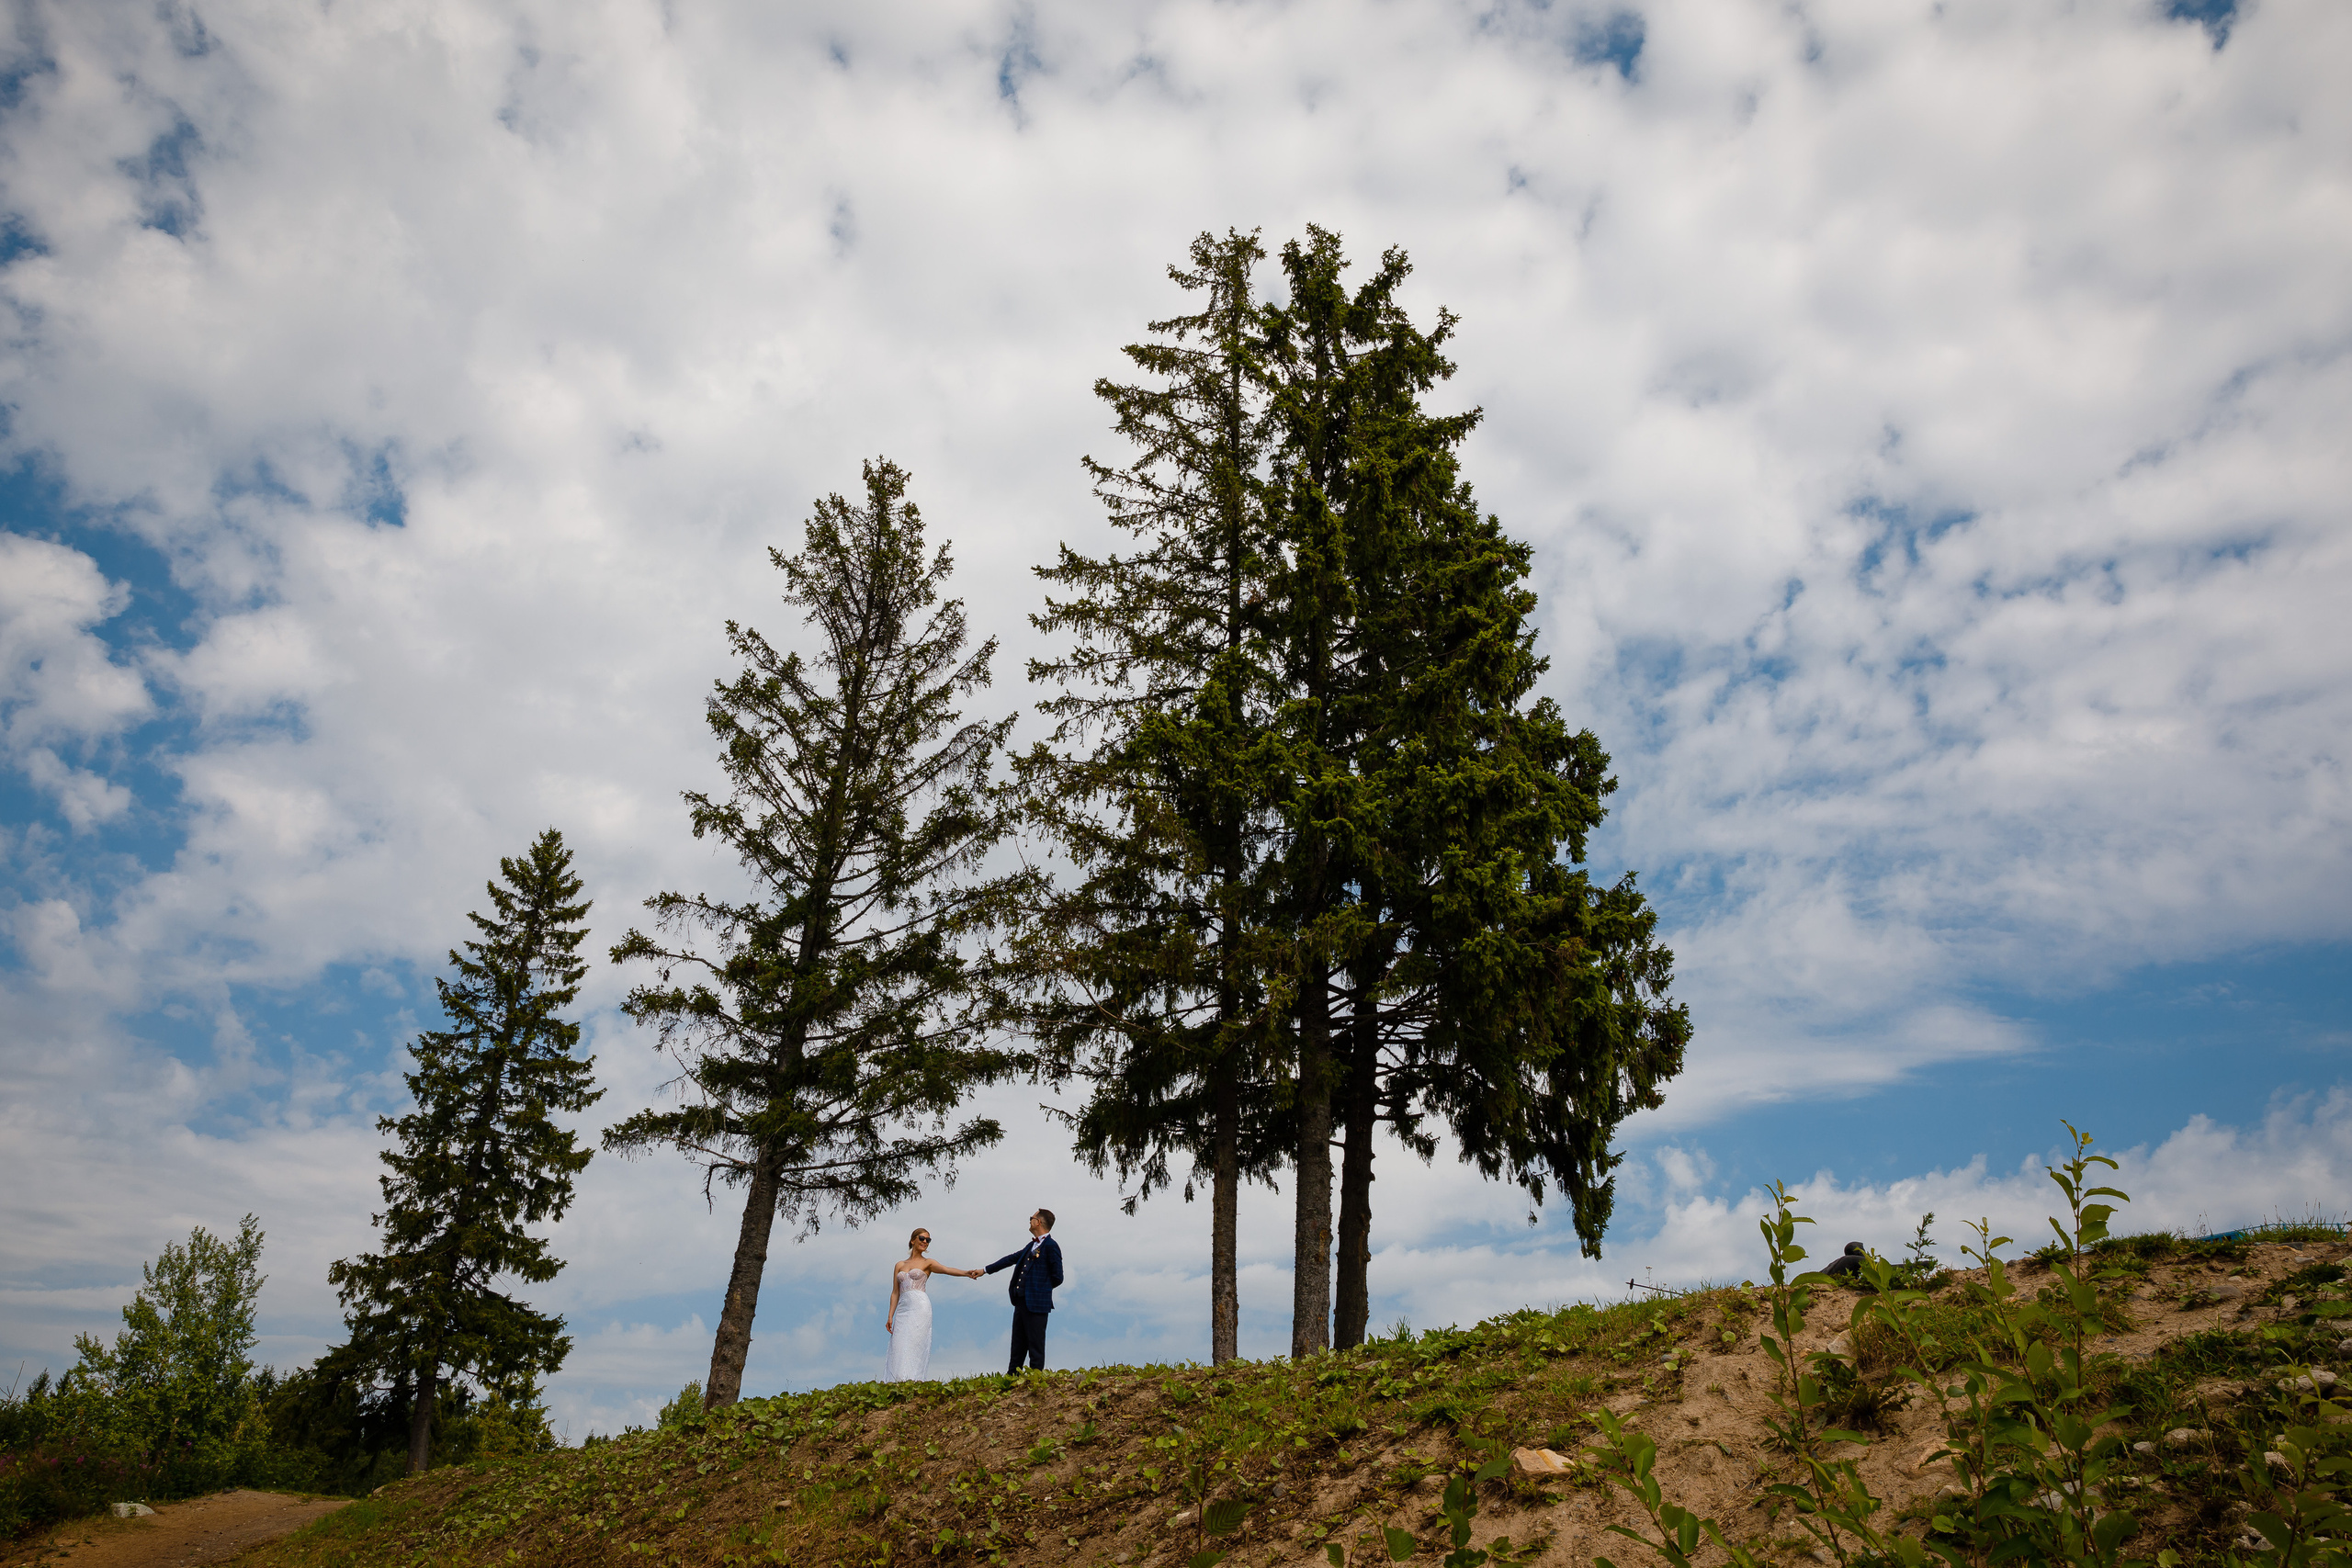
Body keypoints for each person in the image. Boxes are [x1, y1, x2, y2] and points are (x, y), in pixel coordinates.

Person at [885, 1226, 982, 1382]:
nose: (925, 1242)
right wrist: (890, 1315)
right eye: (922, 1239)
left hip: (920, 1306)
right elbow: (895, 1292)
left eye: (928, 1240)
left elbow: (946, 1269)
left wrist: (966, 1273)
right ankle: (896, 1381)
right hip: (903, 1309)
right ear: (913, 1240)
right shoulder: (899, 1265)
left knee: (915, 1343)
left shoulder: (928, 1263)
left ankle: (913, 1380)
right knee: (899, 1343)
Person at [983, 1208, 1064, 1373]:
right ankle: (1012, 1378)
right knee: (1017, 1345)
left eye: (1031, 1218)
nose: (1030, 1221)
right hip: (1021, 1302)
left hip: (1037, 1303)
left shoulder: (1051, 1246)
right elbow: (1011, 1259)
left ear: (1038, 1222)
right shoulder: (1031, 1245)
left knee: (1036, 1345)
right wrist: (984, 1270)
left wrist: (1039, 1290)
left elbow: (1058, 1276)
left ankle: (1035, 1380)